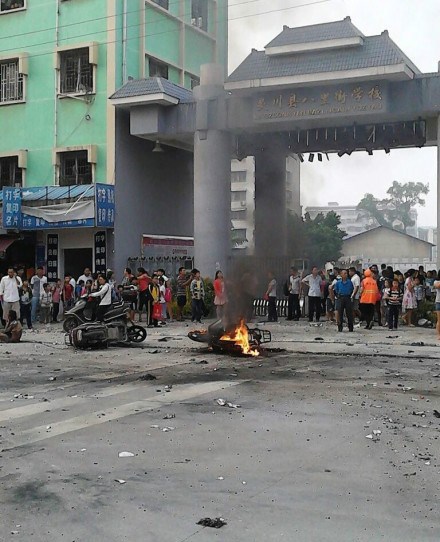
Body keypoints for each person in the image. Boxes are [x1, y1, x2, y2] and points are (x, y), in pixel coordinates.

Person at [434, 272, 440, 341]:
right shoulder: (436, 281)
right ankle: (438, 334)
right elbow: (437, 286)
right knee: (439, 320)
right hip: (439, 302)